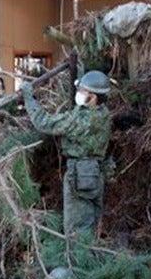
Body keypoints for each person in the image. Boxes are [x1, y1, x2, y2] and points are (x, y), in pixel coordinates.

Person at [22, 70, 112, 237]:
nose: (78, 94)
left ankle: (78, 259)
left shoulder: (80, 121)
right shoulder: (103, 113)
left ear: (92, 97)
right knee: (91, 222)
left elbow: (43, 122)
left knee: (77, 228)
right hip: (94, 172)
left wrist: (29, 97)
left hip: (80, 173)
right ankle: (91, 256)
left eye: (82, 91)